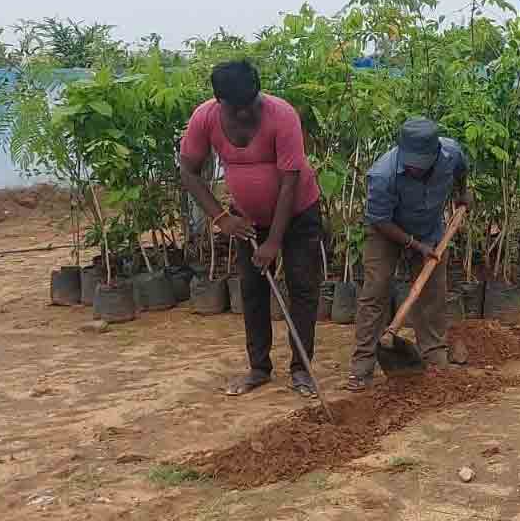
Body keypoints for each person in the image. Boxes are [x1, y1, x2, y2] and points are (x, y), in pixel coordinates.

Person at [179, 60, 325, 399]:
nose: (244, 115)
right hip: (246, 220)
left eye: (249, 106)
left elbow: (291, 180)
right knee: (253, 290)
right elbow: (189, 172)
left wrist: (274, 240)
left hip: (298, 213)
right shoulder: (205, 118)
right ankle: (259, 368)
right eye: (236, 108)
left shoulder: (282, 115)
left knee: (302, 288)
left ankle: (301, 369)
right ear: (220, 102)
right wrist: (221, 218)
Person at [346, 117, 471, 392]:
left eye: (421, 163)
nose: (415, 168)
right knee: (375, 290)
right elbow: (379, 219)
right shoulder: (383, 174)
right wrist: (415, 246)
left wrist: (462, 195)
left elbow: (462, 171)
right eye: (411, 162)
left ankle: (434, 355)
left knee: (433, 292)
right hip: (386, 230)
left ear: (436, 153)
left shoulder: (451, 153)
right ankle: (362, 366)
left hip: (429, 228)